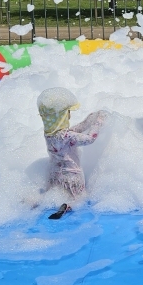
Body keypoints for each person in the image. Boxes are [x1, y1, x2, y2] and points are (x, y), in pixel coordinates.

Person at [37, 88, 106, 218]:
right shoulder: (67, 136)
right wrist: (99, 122)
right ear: (62, 116)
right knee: (79, 199)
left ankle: (36, 202)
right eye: (67, 112)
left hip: (54, 176)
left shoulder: (50, 135)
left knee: (50, 196)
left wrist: (89, 120)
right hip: (73, 177)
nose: (69, 115)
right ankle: (68, 207)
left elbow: (75, 130)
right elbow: (90, 138)